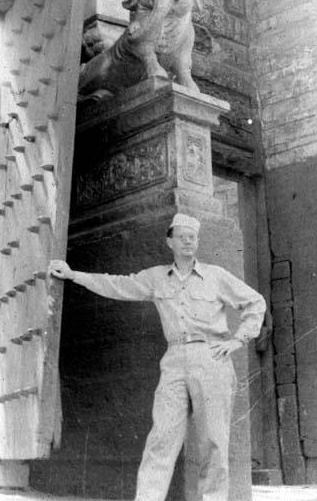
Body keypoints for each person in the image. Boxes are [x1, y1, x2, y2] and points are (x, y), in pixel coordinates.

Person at [50, 213, 266, 501]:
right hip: (175, 360)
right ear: (170, 242)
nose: (188, 241)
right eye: (181, 237)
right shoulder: (156, 277)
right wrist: (74, 275)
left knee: (214, 441)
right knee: (161, 438)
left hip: (211, 357)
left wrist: (238, 339)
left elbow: (255, 302)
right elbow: (118, 284)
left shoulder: (216, 276)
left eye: (192, 237)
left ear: (198, 242)